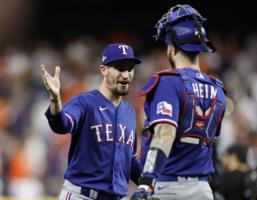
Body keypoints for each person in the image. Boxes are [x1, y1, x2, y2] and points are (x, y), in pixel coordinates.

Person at [131, 4, 227, 200]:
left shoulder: (169, 82)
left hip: (170, 188)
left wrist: (146, 182)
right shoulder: (218, 89)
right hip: (203, 189)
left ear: (172, 47)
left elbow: (165, 133)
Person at [41, 43, 142, 200]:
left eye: (130, 69)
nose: (126, 75)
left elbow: (130, 160)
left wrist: (151, 185)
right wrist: (55, 99)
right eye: (120, 68)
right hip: (81, 195)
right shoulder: (84, 102)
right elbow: (61, 125)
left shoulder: (129, 112)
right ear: (103, 70)